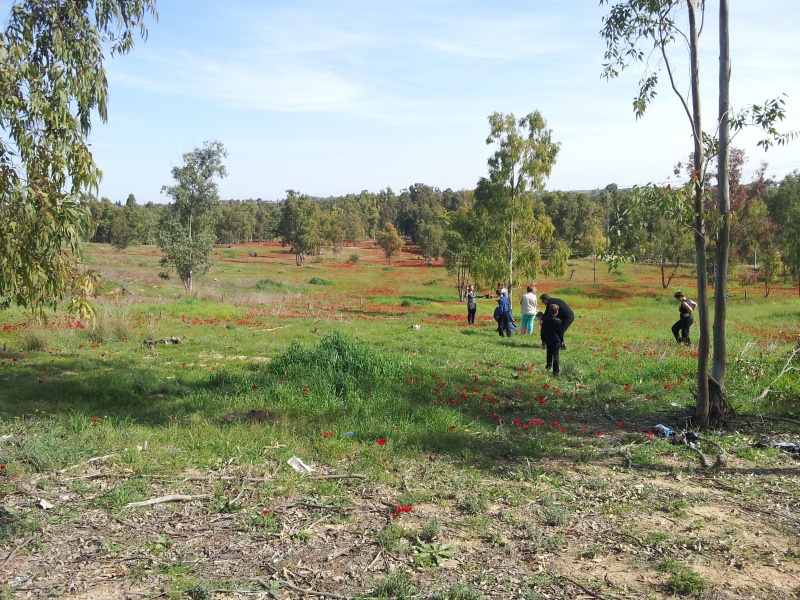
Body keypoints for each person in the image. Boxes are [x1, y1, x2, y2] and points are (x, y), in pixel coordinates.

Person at [541, 303, 563, 376]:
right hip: (556, 340)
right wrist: (562, 340)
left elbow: (543, 330)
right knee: (556, 355)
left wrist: (543, 340)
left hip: (548, 339)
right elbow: (560, 332)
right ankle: (555, 371)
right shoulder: (558, 321)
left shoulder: (546, 319)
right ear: (557, 312)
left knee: (549, 353)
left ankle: (548, 365)